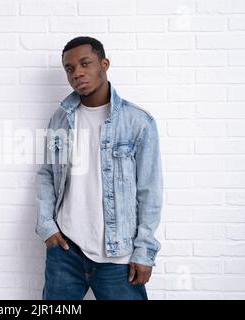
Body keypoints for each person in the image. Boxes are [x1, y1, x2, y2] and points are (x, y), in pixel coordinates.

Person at [35, 36, 163, 300]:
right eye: (69, 69)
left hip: (120, 257)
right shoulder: (60, 118)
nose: (77, 73)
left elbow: (150, 192)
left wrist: (144, 251)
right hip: (66, 252)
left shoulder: (138, 122)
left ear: (104, 64)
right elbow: (48, 173)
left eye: (85, 63)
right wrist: (47, 225)